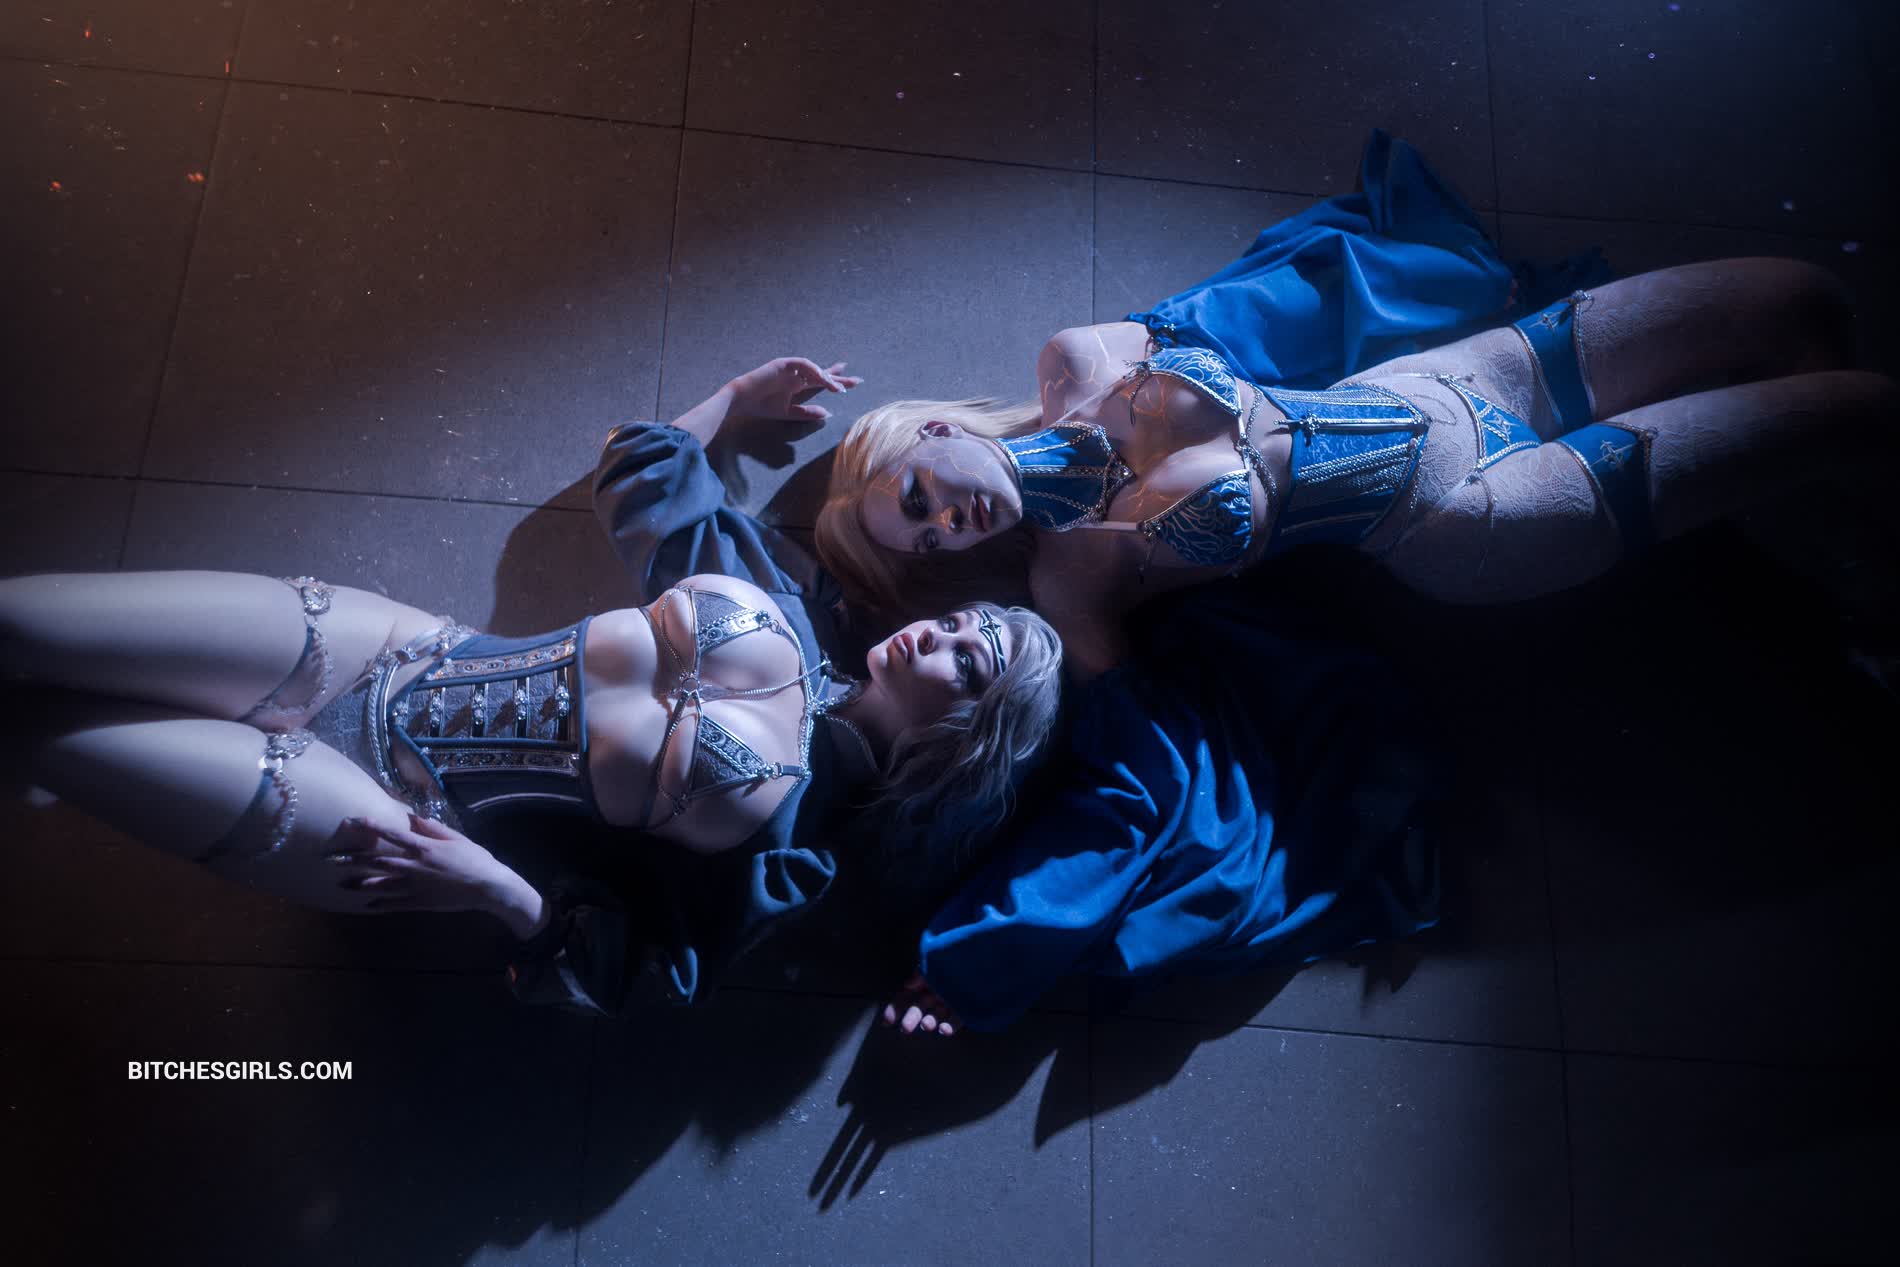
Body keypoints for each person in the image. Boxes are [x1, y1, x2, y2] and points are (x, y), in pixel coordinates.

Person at [0, 358, 1063, 1012]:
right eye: (953, 622)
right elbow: (646, 471)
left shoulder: (796, 851)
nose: (933, 639)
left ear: (965, 733)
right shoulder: (784, 597)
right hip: (384, 649)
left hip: (395, 817)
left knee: (45, 741)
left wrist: (491, 888)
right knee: (22, 620)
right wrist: (738, 398)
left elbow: (639, 975)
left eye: (964, 662)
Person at [816, 133, 1897, 677]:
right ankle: (1846, 561)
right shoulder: (1069, 577)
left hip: (1461, 378)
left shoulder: (1080, 361)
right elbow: (1113, 725)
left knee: (1804, 301)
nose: (944, 522)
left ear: (937, 432)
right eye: (929, 540)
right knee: (1862, 407)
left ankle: (1823, 537)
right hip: (1473, 521)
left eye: (916, 497)